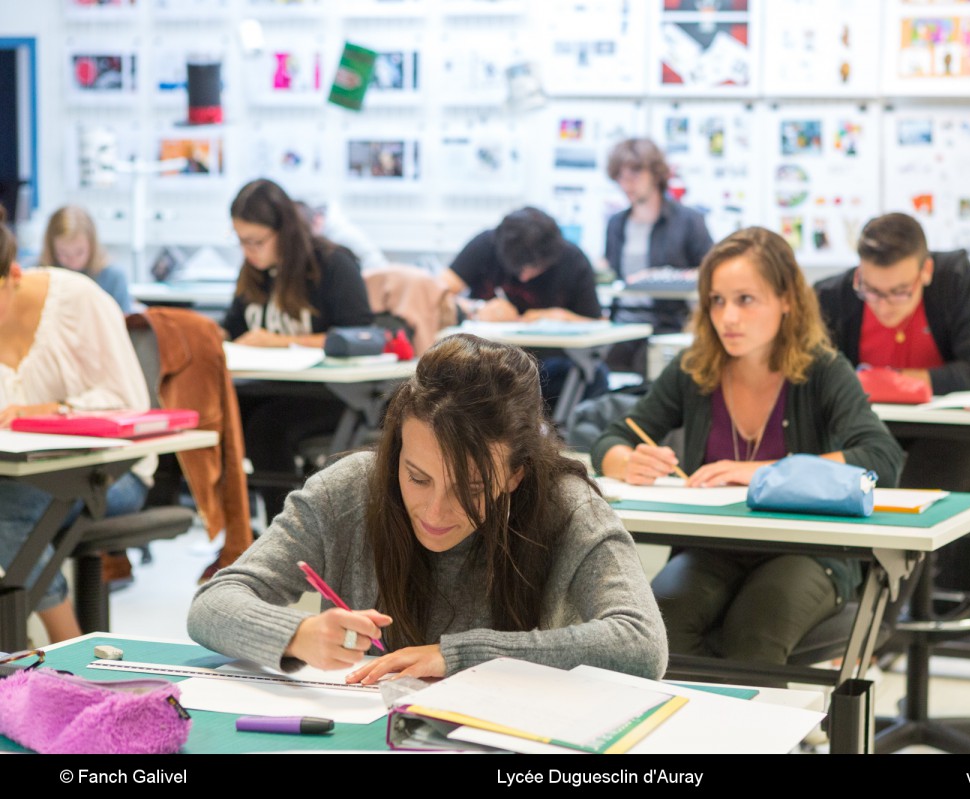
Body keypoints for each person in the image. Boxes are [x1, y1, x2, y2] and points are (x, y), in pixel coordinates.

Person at [188, 334, 668, 682]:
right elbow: (213, 603)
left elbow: (641, 644)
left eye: (473, 488)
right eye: (418, 477)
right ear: (396, 451)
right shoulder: (348, 491)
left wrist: (459, 655)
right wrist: (299, 634)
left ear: (516, 474)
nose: (436, 509)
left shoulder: (567, 507)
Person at [591, 227, 903, 664]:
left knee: (755, 629)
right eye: (717, 300)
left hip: (807, 550)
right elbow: (613, 437)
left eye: (746, 300)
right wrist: (626, 462)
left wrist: (766, 472)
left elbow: (881, 458)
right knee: (660, 624)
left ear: (787, 300)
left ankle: (764, 731)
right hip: (714, 547)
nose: (728, 318)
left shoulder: (823, 370)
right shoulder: (695, 367)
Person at [816, 212, 970, 602]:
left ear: (926, 272)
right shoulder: (834, 297)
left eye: (900, 292)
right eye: (872, 290)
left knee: (904, 499)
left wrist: (895, 381)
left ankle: (877, 634)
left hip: (958, 441)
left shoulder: (955, 280)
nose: (884, 306)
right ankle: (841, 616)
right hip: (873, 441)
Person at [0, 209, 153, 642]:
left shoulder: (78, 300)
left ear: (13, 274)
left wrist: (51, 411)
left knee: (5, 506)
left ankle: (67, 651)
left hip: (112, 471)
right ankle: (18, 645)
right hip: (20, 470)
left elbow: (130, 406)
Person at [223, 178, 374, 523]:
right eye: (241, 241)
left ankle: (286, 539)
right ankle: (233, 534)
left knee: (266, 428)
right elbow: (232, 328)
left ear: (284, 231)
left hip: (331, 393)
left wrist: (277, 341)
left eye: (257, 241)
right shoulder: (254, 273)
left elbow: (362, 336)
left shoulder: (332, 264)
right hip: (270, 387)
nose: (249, 250)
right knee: (215, 411)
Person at [440, 206, 606, 404]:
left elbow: (598, 323)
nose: (524, 277)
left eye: (535, 268)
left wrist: (562, 317)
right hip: (486, 359)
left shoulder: (572, 259)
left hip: (546, 363)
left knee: (592, 378)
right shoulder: (486, 244)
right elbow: (436, 294)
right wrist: (476, 309)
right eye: (517, 268)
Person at [603, 138, 714, 373]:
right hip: (621, 324)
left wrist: (664, 276)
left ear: (655, 173)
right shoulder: (616, 224)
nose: (627, 184)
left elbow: (711, 271)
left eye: (634, 175)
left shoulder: (687, 221)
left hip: (666, 324)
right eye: (620, 177)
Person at [39, 205, 134, 313]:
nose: (72, 260)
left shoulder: (113, 277)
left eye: (79, 252)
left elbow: (124, 325)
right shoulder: (37, 275)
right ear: (51, 248)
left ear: (92, 246)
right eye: (63, 253)